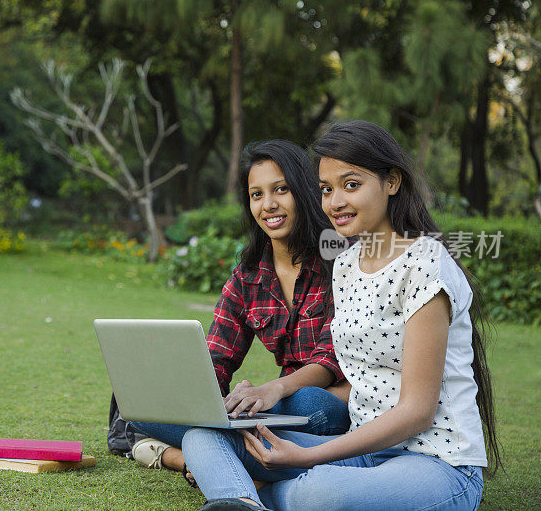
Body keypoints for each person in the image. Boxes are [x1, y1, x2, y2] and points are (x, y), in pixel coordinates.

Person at [182, 120, 500, 511]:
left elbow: (417, 412)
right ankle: (245, 501)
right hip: (361, 448)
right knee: (204, 436)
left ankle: (246, 496)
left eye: (352, 185)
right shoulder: (346, 265)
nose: (335, 202)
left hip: (434, 462)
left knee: (320, 492)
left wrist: (308, 456)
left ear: (392, 182)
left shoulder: (426, 264)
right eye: (326, 189)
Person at [130, 140, 350, 478]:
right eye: (257, 195)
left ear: (305, 193)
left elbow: (329, 359)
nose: (269, 205)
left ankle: (191, 455)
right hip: (277, 411)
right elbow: (217, 357)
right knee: (143, 411)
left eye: (281, 190)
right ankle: (228, 447)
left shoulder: (339, 261)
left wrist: (269, 390)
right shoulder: (247, 277)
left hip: (331, 402)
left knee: (307, 401)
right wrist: (205, 399)